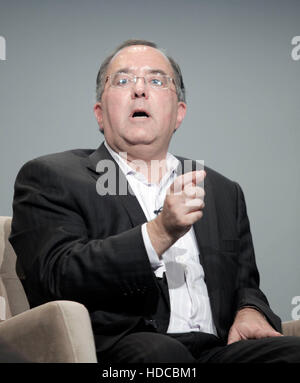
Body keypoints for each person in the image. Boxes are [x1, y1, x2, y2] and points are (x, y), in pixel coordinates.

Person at [9, 39, 300, 363]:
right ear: (100, 114)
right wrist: (159, 232)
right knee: (162, 356)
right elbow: (56, 277)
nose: (139, 90)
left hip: (218, 352)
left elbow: (245, 284)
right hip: (120, 349)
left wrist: (250, 310)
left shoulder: (221, 190)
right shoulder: (52, 176)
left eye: (157, 80)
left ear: (179, 113)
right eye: (122, 80)